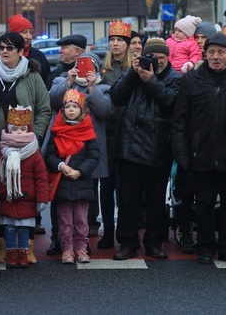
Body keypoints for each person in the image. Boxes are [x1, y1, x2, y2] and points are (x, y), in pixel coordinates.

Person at [171, 33, 226, 265]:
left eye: (221, 52)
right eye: (211, 52)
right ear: (205, 54)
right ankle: (206, 247)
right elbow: (179, 120)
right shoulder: (192, 80)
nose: (216, 57)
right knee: (204, 206)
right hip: (201, 155)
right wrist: (181, 153)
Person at [0, 32, 51, 263]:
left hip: (25, 148)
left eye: (9, 48)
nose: (4, 51)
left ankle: (26, 246)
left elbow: (44, 108)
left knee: (25, 193)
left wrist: (33, 136)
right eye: (1, 47)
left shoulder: (32, 75)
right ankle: (0, 243)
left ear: (20, 51)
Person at [110, 37, 181, 260]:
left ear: (167, 57)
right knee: (128, 200)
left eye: (160, 57)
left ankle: (153, 242)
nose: (155, 61)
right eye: (152, 57)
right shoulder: (135, 72)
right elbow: (116, 96)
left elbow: (172, 103)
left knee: (155, 201)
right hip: (130, 146)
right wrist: (133, 73)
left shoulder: (175, 78)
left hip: (158, 146)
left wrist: (151, 80)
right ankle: (128, 243)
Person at [47, 52, 112, 247]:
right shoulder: (62, 80)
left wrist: (92, 88)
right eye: (81, 64)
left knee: (88, 193)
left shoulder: (103, 87)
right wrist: (69, 81)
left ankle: (84, 241)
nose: (85, 68)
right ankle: (57, 239)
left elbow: (105, 111)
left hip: (87, 149)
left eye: (90, 65)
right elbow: (52, 101)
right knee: (59, 195)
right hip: (63, 149)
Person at [45, 90, 99, 264]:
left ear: (82, 110)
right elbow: (50, 155)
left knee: (82, 219)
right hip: (63, 182)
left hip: (81, 182)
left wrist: (80, 171)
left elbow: (94, 156)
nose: (70, 110)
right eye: (67, 106)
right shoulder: (57, 130)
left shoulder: (88, 132)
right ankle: (67, 248)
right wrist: (61, 166)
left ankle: (82, 248)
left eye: (75, 107)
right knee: (65, 219)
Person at [0, 106, 49, 268]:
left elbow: (41, 177)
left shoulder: (33, 151)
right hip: (7, 197)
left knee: (24, 227)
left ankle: (23, 251)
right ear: (8, 130)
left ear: (28, 130)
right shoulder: (2, 151)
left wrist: (42, 198)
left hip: (27, 198)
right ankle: (11, 251)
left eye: (22, 129)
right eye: (15, 129)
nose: (18, 132)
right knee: (9, 227)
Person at [97, 20, 134, 249]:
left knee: (125, 187)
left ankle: (124, 232)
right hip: (107, 134)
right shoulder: (103, 70)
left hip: (129, 134)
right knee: (106, 186)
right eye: (112, 39)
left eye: (120, 40)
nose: (115, 43)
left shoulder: (134, 69)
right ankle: (108, 231)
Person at [6, 14, 50, 82]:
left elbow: (47, 82)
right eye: (24, 32)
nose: (29, 37)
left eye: (31, 32)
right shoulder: (1, 56)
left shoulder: (39, 56)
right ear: (14, 34)